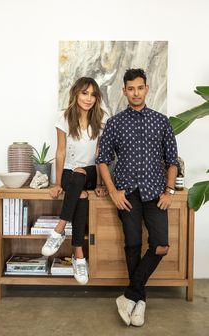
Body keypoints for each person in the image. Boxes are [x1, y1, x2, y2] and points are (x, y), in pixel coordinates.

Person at [96, 68, 178, 327]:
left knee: (161, 244)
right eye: (130, 88)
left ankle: (130, 295)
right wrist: (113, 191)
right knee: (132, 244)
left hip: (156, 193)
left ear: (147, 88)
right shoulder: (115, 123)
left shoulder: (161, 121)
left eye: (139, 88)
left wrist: (169, 191)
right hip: (127, 193)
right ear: (124, 91)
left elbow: (172, 160)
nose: (135, 93)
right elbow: (102, 159)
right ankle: (139, 302)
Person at [41, 77, 107, 285]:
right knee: (80, 194)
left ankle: (59, 230)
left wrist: (99, 184)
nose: (89, 99)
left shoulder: (103, 118)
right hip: (71, 175)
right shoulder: (63, 117)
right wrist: (58, 183)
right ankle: (79, 256)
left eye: (93, 95)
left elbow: (100, 154)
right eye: (84, 93)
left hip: (91, 172)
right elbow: (60, 152)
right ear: (76, 94)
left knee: (80, 174)